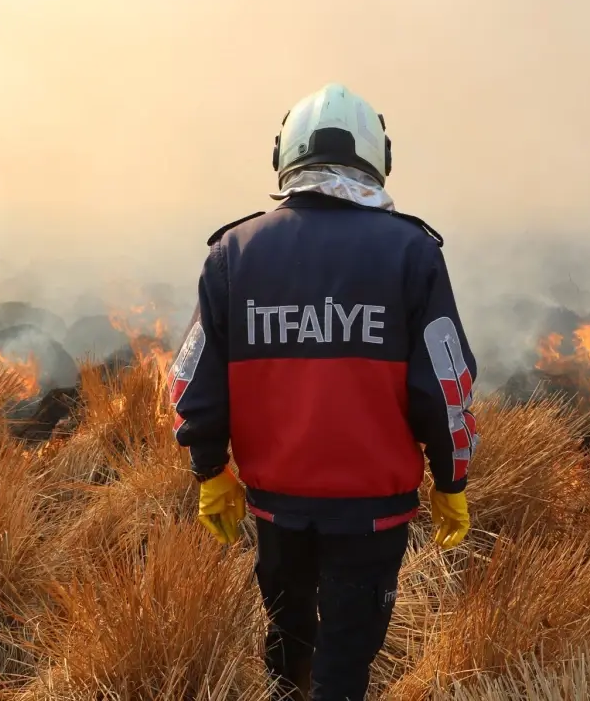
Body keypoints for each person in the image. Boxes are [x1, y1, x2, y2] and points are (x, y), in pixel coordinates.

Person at [169, 82, 478, 701]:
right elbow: (448, 386)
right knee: (345, 658)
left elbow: (190, 378)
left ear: (284, 154)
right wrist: (451, 481)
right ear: (378, 156)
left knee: (288, 636)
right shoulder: (413, 252)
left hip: (276, 503)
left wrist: (210, 470)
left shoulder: (234, 251)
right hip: (373, 509)